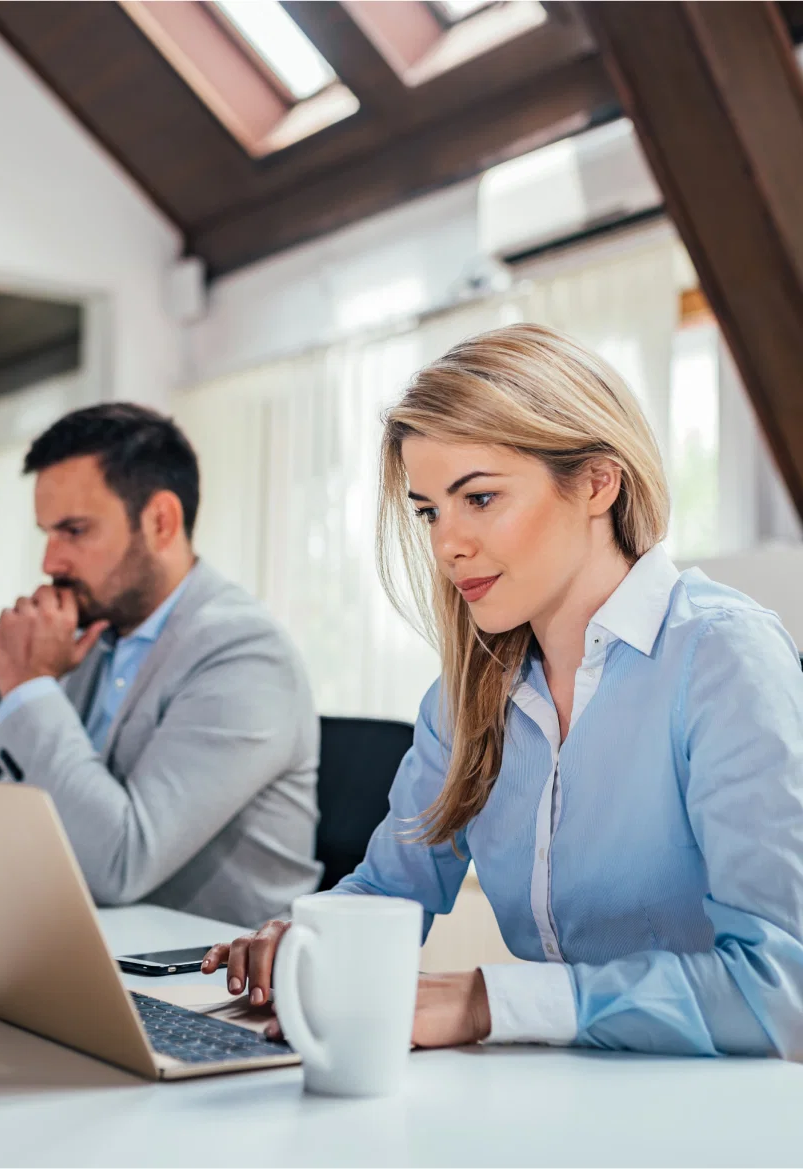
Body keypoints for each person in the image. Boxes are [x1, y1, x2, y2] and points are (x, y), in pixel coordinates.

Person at [204, 323, 803, 1057]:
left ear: (596, 482)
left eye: (479, 498)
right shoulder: (465, 696)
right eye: (429, 510)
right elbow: (390, 890)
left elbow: (780, 988)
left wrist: (489, 1000)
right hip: (562, 1094)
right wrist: (308, 934)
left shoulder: (721, 657)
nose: (446, 543)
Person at [0, 403, 320, 928]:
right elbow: (49, 813)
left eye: (74, 531)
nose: (50, 563)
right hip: (89, 947)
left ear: (160, 522)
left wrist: (30, 687)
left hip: (206, 983)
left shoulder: (245, 657)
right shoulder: (97, 635)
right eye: (47, 533)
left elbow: (119, 863)